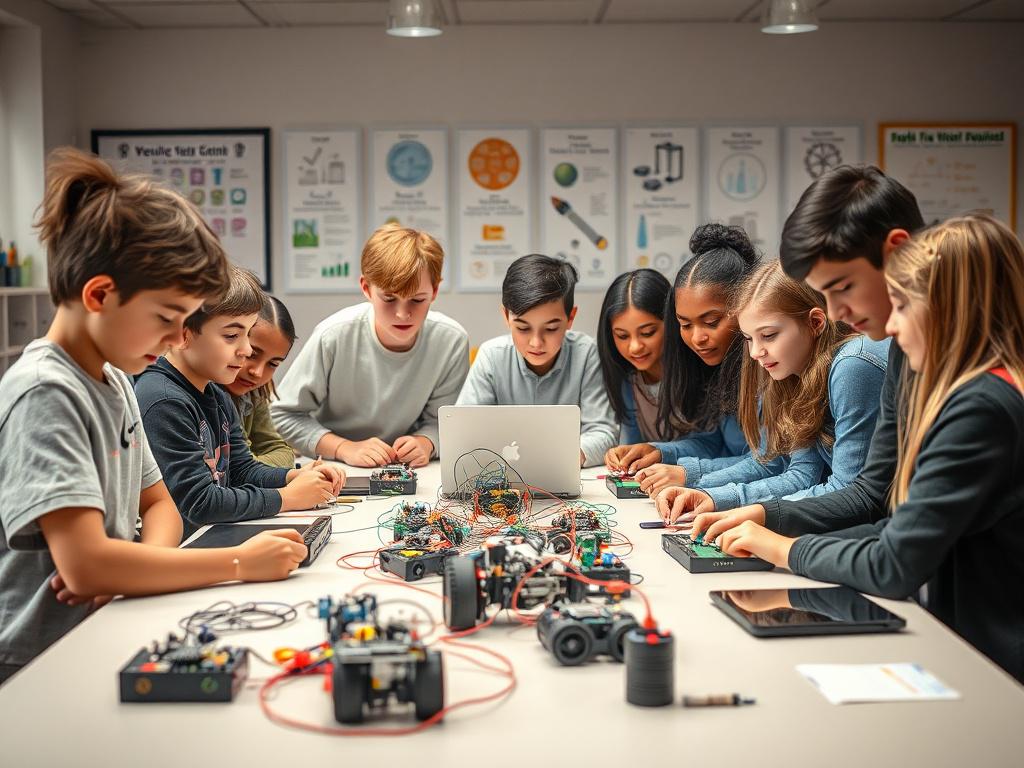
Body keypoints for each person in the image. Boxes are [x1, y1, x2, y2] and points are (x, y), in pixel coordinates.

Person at [0, 149, 306, 684]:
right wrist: (238, 564)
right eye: (166, 318)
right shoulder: (46, 392)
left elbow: (159, 503)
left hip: (97, 624)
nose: (175, 338)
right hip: (36, 658)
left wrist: (126, 577)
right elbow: (85, 564)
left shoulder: (116, 380)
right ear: (99, 294)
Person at [693, 214, 1024, 683]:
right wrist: (774, 539)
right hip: (969, 642)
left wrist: (786, 551)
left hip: (996, 665)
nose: (894, 328)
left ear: (952, 309)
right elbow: (894, 528)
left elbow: (894, 562)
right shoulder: (969, 393)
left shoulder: (980, 408)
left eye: (904, 307)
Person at [655, 261, 888, 521]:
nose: (755, 353)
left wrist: (754, 514)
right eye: (748, 338)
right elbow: (801, 473)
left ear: (815, 322)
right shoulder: (791, 371)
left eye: (768, 335)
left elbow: (850, 492)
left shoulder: (853, 366)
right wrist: (713, 498)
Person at [135, 265, 345, 539]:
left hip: (214, 537)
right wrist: (287, 497)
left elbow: (242, 469)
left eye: (247, 334)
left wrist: (291, 477)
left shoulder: (216, 393)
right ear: (183, 333)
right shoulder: (163, 400)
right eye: (232, 336)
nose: (245, 350)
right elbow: (200, 503)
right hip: (186, 552)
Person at [272, 224, 469, 467]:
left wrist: (426, 442)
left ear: (435, 290)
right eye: (389, 298)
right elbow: (282, 415)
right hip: (338, 465)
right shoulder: (332, 335)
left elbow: (446, 420)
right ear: (366, 288)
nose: (402, 314)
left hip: (408, 468)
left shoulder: (451, 341)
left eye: (417, 300)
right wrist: (343, 448)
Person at [456, 253, 616, 468]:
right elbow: (464, 430)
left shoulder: (586, 355)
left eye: (551, 328)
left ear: (570, 318)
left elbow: (604, 432)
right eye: (522, 328)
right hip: (500, 478)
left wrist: (570, 454)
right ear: (506, 316)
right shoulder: (491, 356)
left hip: (564, 473)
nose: (536, 343)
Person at [598, 269, 677, 470]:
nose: (635, 347)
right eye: (622, 336)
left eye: (648, 333)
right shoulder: (627, 379)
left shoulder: (695, 371)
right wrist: (623, 454)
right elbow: (631, 443)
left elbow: (713, 445)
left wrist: (654, 451)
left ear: (671, 322)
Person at [224, 294, 297, 469]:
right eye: (252, 354)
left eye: (273, 364)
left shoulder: (253, 392)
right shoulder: (206, 393)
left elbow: (281, 450)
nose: (257, 373)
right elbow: (235, 470)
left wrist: (252, 466)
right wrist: (253, 468)